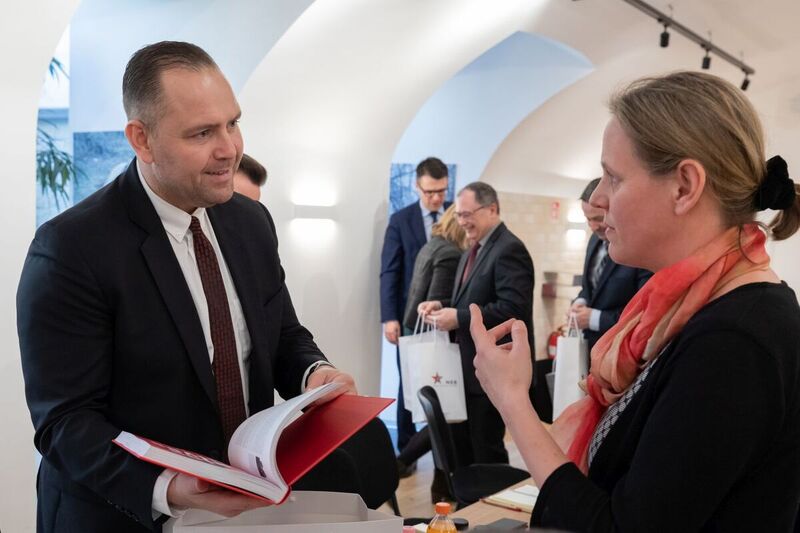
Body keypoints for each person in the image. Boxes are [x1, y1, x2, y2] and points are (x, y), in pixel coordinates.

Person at [17, 41, 356, 533]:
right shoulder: (70, 248)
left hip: (241, 511)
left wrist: (313, 374)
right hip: (121, 514)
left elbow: (281, 334)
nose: (229, 149)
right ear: (142, 139)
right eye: (202, 133)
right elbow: (65, 424)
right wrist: (168, 486)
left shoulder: (251, 221)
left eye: (232, 123)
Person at [470, 71, 800, 531]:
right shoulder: (681, 311)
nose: (600, 199)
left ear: (684, 186)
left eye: (613, 177)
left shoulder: (735, 339)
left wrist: (512, 401)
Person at [419, 182, 534, 465]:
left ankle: (490, 510)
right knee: (463, 454)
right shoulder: (475, 248)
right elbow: (469, 299)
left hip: (491, 370)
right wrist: (442, 306)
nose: (462, 222)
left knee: (486, 453)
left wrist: (457, 318)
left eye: (467, 214)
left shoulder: (509, 249)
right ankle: (466, 508)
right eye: (459, 215)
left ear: (491, 209)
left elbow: (513, 309)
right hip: (467, 371)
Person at [380, 157, 451, 458]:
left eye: (441, 191)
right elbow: (390, 271)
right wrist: (389, 318)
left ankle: (441, 450)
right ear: (417, 187)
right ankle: (406, 451)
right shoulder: (401, 220)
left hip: (445, 317)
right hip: (409, 318)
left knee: (444, 381)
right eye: (430, 192)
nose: (436, 198)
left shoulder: (454, 217)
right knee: (409, 382)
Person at [397, 204, 467, 500]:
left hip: (413, 332)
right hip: (433, 340)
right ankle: (401, 464)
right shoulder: (451, 253)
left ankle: (434, 479)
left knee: (438, 413)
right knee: (444, 413)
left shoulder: (432, 244)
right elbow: (438, 299)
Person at [569, 177, 651, 359]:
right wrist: (580, 302)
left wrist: (593, 319)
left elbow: (644, 312)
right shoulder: (594, 240)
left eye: (597, 219)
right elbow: (589, 287)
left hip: (622, 353)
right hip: (590, 349)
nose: (592, 226)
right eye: (587, 219)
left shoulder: (639, 248)